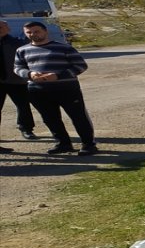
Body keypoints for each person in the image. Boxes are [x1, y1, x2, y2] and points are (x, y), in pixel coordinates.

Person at [14, 21, 97, 155]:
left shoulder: (64, 48)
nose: (33, 34)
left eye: (36, 31)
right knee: (50, 118)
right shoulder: (22, 50)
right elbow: (18, 68)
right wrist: (30, 74)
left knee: (78, 116)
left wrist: (58, 76)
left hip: (66, 89)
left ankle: (89, 144)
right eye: (29, 32)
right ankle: (63, 143)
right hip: (38, 90)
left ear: (45, 31)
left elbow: (80, 66)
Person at [1, 20, 38, 150]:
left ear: (8, 28)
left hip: (16, 81)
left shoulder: (18, 43)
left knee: (23, 106)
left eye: (2, 26)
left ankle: (26, 129)